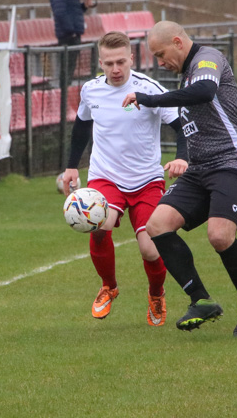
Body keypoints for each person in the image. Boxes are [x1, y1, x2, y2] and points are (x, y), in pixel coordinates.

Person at [121, 20, 237, 336]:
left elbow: (204, 91)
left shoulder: (207, 59)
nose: (160, 63)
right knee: (156, 225)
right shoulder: (186, 75)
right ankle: (201, 300)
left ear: (177, 42)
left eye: (161, 54)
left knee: (219, 237)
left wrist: (150, 99)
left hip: (232, 161)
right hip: (199, 169)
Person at [63, 31, 188, 326]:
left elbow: (182, 125)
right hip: (106, 177)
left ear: (132, 58)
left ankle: (156, 293)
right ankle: (109, 286)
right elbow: (81, 126)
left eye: (121, 61)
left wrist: (182, 157)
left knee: (150, 247)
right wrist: (71, 167)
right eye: (109, 63)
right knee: (97, 227)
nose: (115, 69)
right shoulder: (91, 90)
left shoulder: (150, 89)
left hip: (147, 180)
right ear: (100, 62)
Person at [49, 0, 96, 86]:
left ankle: (66, 92)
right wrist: (71, 30)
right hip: (67, 36)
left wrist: (84, 6)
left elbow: (74, 11)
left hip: (74, 34)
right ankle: (63, 97)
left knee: (70, 68)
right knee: (65, 70)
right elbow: (60, 12)